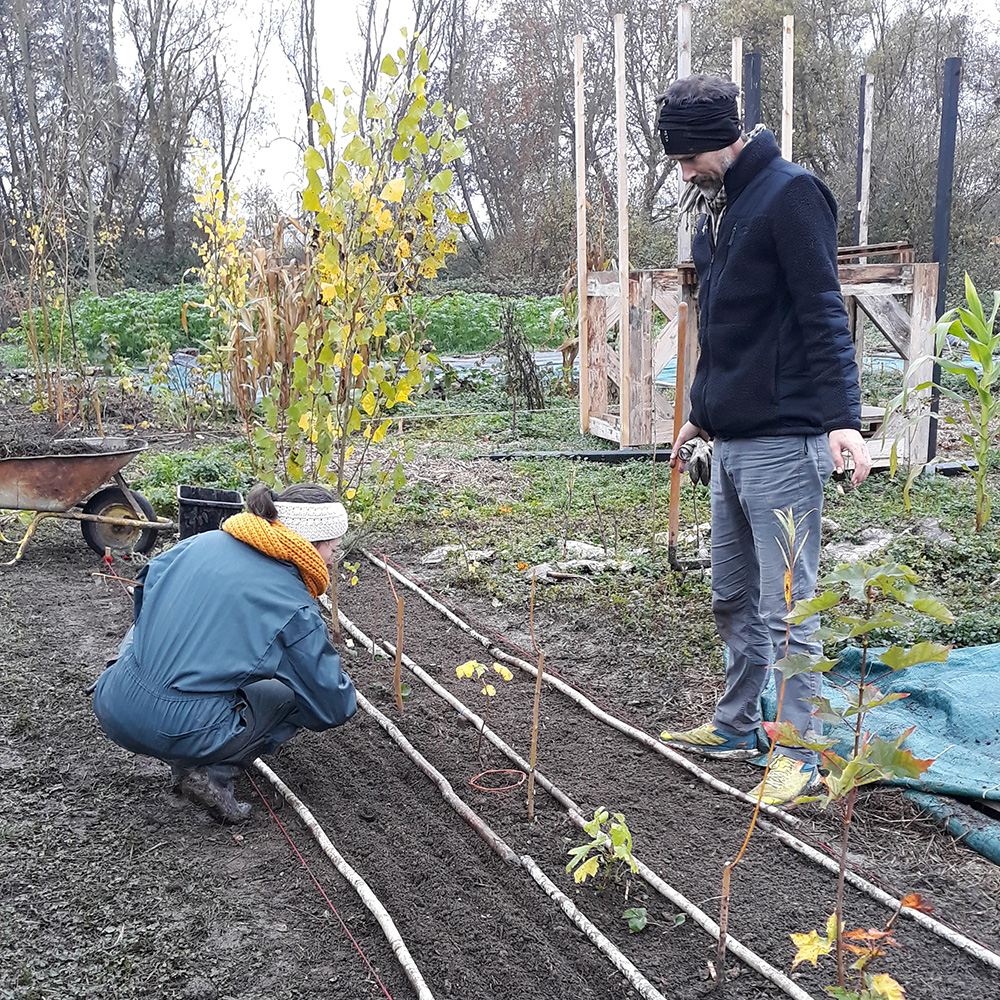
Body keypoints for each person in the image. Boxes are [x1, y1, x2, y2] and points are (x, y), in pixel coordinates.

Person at [655, 75, 872, 806]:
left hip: (784, 440)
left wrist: (844, 419)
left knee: (786, 608)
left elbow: (822, 311)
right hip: (733, 442)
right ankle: (736, 725)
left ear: (724, 139)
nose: (684, 171)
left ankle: (799, 755)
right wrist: (700, 412)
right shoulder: (720, 208)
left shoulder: (790, 195)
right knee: (732, 596)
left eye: (689, 157)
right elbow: (723, 328)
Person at [93, 483, 357, 822]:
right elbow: (332, 706)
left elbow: (146, 591)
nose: (332, 560)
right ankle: (211, 772)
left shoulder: (200, 543)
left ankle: (178, 737)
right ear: (312, 543)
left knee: (146, 636)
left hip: (113, 700)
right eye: (333, 549)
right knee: (292, 692)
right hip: (179, 726)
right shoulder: (293, 604)